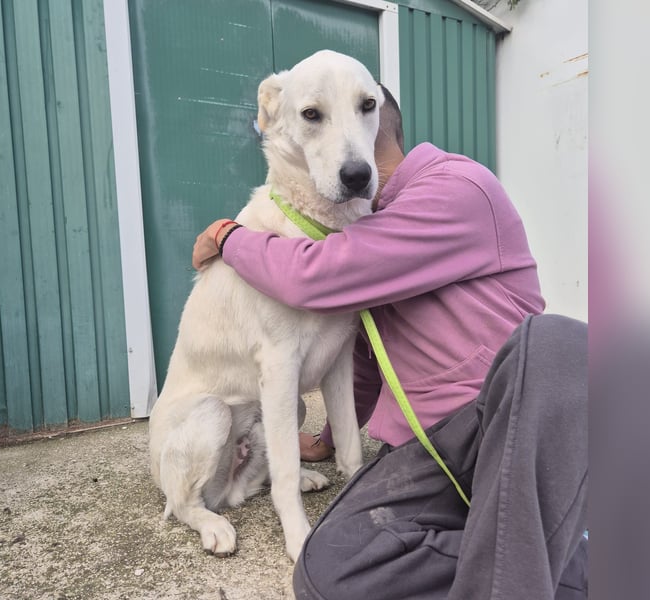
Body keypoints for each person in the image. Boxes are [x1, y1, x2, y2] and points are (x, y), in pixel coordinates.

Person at [192, 86, 587, 599]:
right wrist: (331, 438)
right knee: (326, 570)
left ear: (368, 129)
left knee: (555, 345)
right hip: (439, 449)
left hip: (508, 420)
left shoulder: (457, 186)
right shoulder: (372, 229)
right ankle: (553, 563)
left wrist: (229, 236)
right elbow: (362, 364)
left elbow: (315, 276)